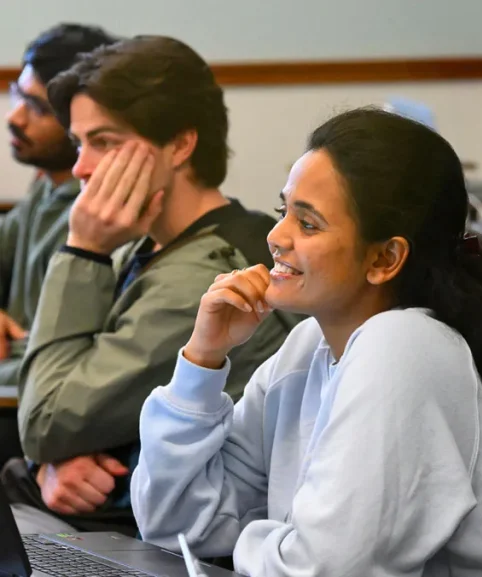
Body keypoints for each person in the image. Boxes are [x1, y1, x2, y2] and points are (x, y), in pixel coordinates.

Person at [130, 108, 482, 576]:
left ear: (384, 259)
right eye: (283, 212)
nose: (275, 236)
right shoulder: (308, 345)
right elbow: (174, 525)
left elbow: (324, 569)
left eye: (308, 224)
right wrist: (203, 360)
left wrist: (248, 540)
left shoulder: (405, 348)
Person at [3, 36, 295, 535]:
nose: (80, 167)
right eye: (79, 143)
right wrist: (46, 463)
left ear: (180, 145)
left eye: (104, 142)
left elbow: (45, 422)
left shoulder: (200, 276)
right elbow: (57, 403)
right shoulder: (150, 240)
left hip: (167, 537)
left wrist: (82, 250)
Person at [0, 24, 118, 467]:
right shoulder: (46, 187)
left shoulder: (105, 216)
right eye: (18, 94)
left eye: (37, 107)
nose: (15, 117)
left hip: (31, 410)